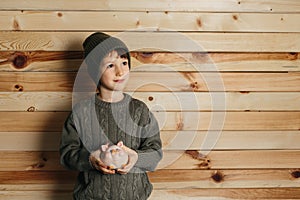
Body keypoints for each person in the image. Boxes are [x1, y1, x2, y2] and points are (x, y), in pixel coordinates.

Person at [59, 32, 163, 200]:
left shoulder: (140, 110)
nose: (120, 72)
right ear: (95, 71)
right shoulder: (81, 113)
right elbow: (67, 156)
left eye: (124, 63)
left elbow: (155, 154)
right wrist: (91, 159)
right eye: (110, 65)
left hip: (135, 196)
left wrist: (136, 158)